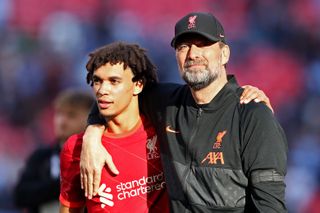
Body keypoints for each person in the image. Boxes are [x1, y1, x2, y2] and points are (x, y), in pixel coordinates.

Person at [81, 12, 288, 212]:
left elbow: (269, 205)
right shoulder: (165, 102)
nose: (193, 54)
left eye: (203, 44)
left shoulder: (252, 115)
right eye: (184, 46)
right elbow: (116, 95)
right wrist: (92, 133)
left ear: (224, 54)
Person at [59, 42, 169, 212]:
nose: (103, 90)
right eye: (97, 81)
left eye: (114, 81)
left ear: (138, 85)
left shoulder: (165, 132)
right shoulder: (76, 148)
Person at [13, 89, 94, 213]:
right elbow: (20, 195)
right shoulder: (41, 157)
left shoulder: (96, 157)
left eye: (71, 115)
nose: (62, 121)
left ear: (89, 119)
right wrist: (64, 183)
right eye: (59, 114)